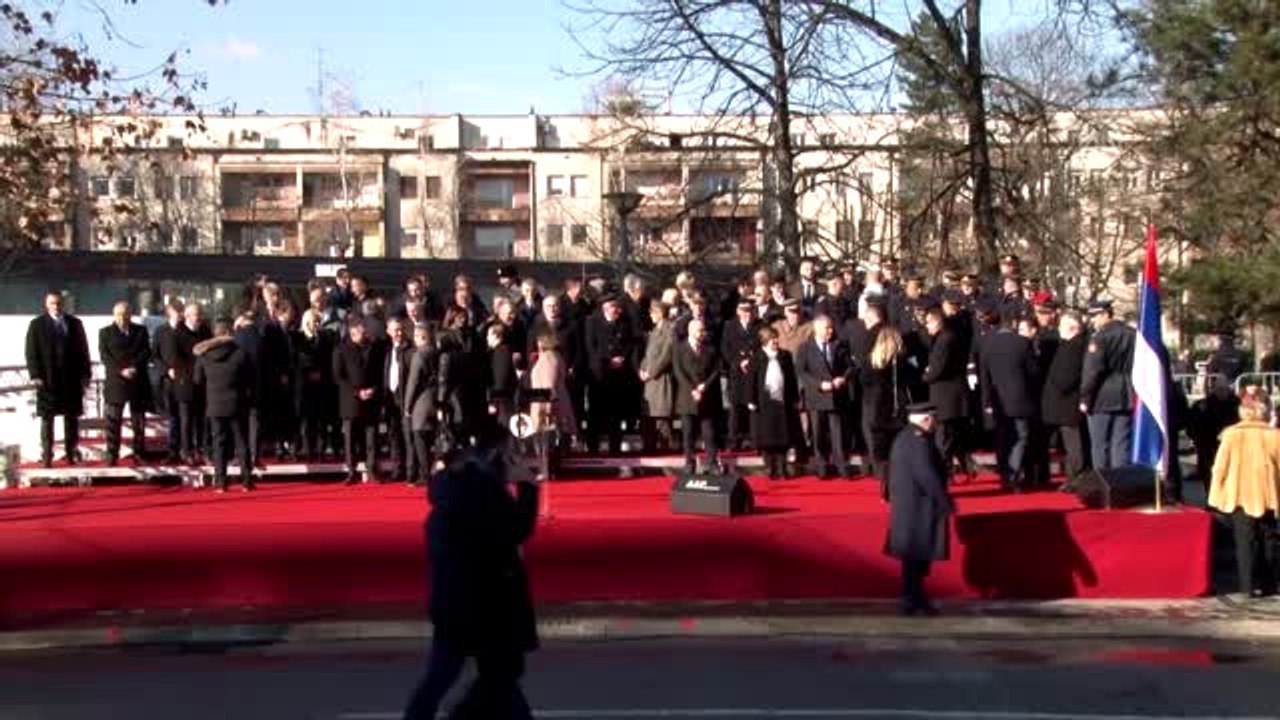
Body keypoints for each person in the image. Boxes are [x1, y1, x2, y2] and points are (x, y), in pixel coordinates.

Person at [403, 429, 540, 720]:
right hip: (482, 606)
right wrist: (528, 486)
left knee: (450, 678)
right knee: (497, 680)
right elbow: (515, 530)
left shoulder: (454, 493)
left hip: (457, 602)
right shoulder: (481, 494)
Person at [1209, 391, 1280, 598]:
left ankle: (1247, 587)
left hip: (1238, 496)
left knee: (1244, 541)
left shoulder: (1231, 434)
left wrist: (1215, 496)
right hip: (1267, 495)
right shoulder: (1274, 435)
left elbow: (1219, 467)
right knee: (1268, 539)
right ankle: (1269, 584)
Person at [885, 402, 954, 617]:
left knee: (914, 559)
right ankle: (912, 599)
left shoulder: (907, 437)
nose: (936, 423)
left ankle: (916, 598)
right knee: (916, 558)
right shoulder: (918, 441)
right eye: (933, 418)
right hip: (918, 508)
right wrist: (944, 501)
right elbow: (927, 475)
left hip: (910, 507)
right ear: (925, 419)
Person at [26, 291, 92, 467]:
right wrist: (35, 375)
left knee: (71, 419)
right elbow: (31, 352)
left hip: (71, 380)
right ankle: (47, 456)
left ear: (63, 304)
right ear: (46, 304)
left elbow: (83, 351)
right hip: (47, 381)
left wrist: (86, 375)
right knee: (47, 420)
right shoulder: (37, 325)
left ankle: (71, 454)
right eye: (52, 303)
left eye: (58, 303)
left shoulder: (75, 324)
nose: (56, 306)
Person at [980, 313, 1040, 493]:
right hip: (1020, 398)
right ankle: (1014, 476)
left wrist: (987, 401)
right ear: (1013, 325)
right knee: (1021, 436)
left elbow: (984, 377)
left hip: (998, 399)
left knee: (1003, 438)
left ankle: (1005, 475)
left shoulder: (987, 345)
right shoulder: (1022, 343)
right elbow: (1034, 371)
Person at [194, 319, 254, 493]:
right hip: (237, 403)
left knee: (219, 443)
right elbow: (250, 378)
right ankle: (246, 481)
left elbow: (198, 380)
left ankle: (220, 482)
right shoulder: (241, 353)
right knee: (241, 442)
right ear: (230, 333)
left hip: (215, 404)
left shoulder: (204, 355)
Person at [1080, 299, 1136, 471]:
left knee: (1099, 445)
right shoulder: (1132, 334)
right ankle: (1120, 484)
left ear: (1105, 314)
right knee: (1121, 444)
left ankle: (1103, 485)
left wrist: (1084, 398)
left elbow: (1092, 371)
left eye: (1095, 316)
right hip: (1125, 392)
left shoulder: (1099, 337)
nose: (1092, 321)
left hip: (1101, 396)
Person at [796, 315, 851, 479]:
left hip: (836, 395)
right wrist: (819, 384)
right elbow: (802, 372)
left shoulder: (838, 345)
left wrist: (844, 378)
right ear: (817, 329)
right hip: (817, 396)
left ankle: (842, 466)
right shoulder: (805, 348)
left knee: (838, 433)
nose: (830, 331)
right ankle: (822, 466)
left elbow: (849, 367)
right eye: (827, 328)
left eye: (831, 327)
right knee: (818, 433)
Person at [99, 300, 153, 466]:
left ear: (130, 314)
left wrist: (134, 367)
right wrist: (122, 370)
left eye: (125, 314)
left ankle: (139, 453)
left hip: (137, 381)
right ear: (114, 315)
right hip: (116, 382)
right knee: (113, 421)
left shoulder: (140, 331)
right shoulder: (105, 333)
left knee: (139, 422)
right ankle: (112, 454)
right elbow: (105, 356)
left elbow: (146, 352)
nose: (122, 318)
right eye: (119, 314)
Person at [334, 316, 386, 484]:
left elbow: (380, 371)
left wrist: (374, 389)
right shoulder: (341, 349)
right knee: (350, 437)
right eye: (360, 333)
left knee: (372, 436)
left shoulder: (375, 347)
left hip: (371, 397)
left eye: (365, 332)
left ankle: (372, 469)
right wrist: (357, 392)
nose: (364, 335)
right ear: (352, 332)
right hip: (350, 400)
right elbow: (338, 375)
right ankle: (351, 470)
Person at [921, 305, 970, 479]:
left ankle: (943, 473)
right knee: (951, 437)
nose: (926, 326)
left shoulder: (944, 340)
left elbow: (937, 369)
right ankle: (962, 468)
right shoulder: (950, 337)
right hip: (952, 396)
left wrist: (924, 375)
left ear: (937, 321)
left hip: (946, 397)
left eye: (928, 323)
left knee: (944, 439)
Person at [1042, 313, 1090, 484]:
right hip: (1063, 403)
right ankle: (1073, 477)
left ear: (1072, 328)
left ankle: (1077, 477)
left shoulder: (1074, 346)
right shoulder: (1070, 345)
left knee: (1074, 443)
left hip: (1068, 403)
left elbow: (1067, 377)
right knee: (1070, 444)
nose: (1058, 329)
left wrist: (1055, 381)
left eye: (1061, 325)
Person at [749, 326, 801, 480]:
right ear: (765, 342)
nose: (776, 341)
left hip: (782, 401)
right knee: (767, 438)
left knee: (783, 438)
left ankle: (782, 467)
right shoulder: (757, 357)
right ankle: (770, 468)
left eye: (776, 338)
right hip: (764, 403)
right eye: (772, 339)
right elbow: (751, 381)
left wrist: (795, 399)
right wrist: (751, 400)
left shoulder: (785, 356)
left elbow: (791, 379)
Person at [673, 317, 723, 475]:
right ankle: (689, 462)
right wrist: (693, 389)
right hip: (687, 397)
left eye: (704, 330)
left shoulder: (711, 349)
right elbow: (678, 371)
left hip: (707, 397)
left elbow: (716, 370)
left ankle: (712, 462)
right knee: (688, 433)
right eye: (700, 330)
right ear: (691, 331)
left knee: (709, 433)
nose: (703, 333)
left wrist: (704, 387)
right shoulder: (679, 349)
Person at [404, 323, 443, 487]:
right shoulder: (439, 353)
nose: (414, 339)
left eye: (416, 336)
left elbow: (413, 382)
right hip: (437, 398)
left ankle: (425, 475)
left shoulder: (419, 355)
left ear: (422, 337)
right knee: (434, 437)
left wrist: (407, 405)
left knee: (420, 438)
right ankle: (433, 471)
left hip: (422, 401)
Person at [721, 300, 760, 451]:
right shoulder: (729, 326)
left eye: (749, 310)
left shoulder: (759, 325)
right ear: (738, 311)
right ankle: (733, 442)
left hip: (753, 372)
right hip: (736, 373)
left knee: (753, 408)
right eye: (743, 310)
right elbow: (725, 349)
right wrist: (739, 361)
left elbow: (762, 345)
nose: (747, 314)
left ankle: (755, 442)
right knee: (734, 410)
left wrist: (749, 361)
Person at [639, 301, 676, 453]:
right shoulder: (654, 331)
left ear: (660, 312)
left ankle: (665, 447)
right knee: (649, 415)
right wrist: (642, 369)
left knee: (661, 414)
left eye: (652, 312)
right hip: (649, 380)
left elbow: (666, 355)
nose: (650, 315)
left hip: (661, 379)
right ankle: (649, 446)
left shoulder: (670, 329)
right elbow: (648, 353)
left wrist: (651, 372)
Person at [385, 317, 416, 482]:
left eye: (400, 330)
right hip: (390, 398)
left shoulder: (410, 350)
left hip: (405, 398)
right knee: (394, 436)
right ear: (388, 331)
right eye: (394, 330)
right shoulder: (387, 350)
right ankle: (398, 470)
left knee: (408, 437)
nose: (398, 333)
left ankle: (411, 472)